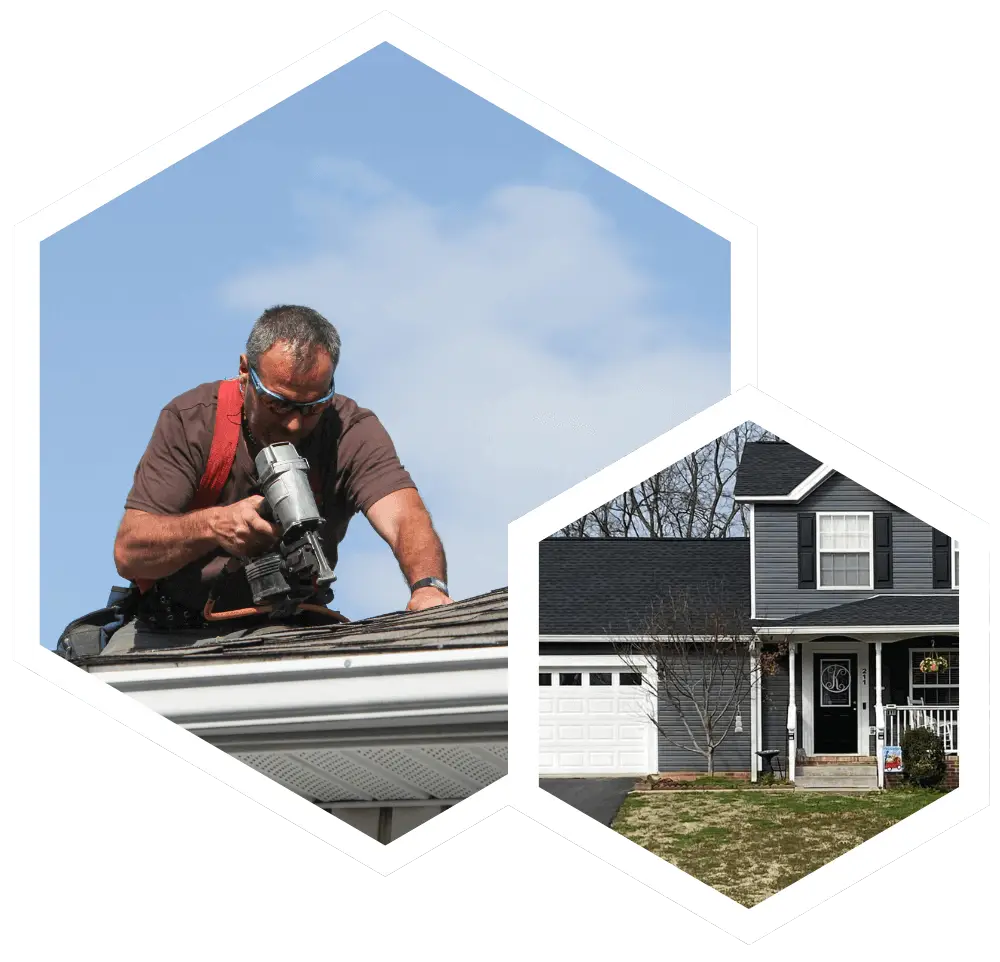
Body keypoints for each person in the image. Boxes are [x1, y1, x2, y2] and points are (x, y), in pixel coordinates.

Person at [112, 305, 453, 627]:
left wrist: (428, 586)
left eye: (313, 407)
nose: (294, 424)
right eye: (278, 404)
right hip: (174, 628)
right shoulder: (193, 421)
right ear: (245, 371)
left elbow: (404, 517)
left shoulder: (350, 431)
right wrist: (213, 526)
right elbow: (129, 553)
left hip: (292, 624)